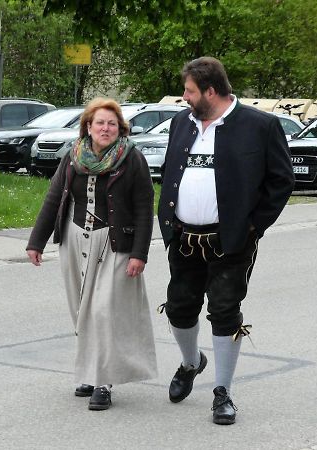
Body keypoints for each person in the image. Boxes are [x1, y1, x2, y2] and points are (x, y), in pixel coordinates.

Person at [158, 57, 295, 424]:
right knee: (178, 308)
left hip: (231, 240)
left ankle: (222, 392)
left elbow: (281, 180)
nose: (184, 97)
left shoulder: (259, 125)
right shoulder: (180, 123)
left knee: (223, 311)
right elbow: (171, 172)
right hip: (184, 236)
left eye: (189, 91)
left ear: (211, 91)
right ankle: (191, 363)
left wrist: (254, 225)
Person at [26, 97, 157, 411]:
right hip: (75, 238)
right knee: (81, 309)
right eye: (100, 122)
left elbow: (143, 206)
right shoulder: (73, 156)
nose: (106, 128)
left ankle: (104, 382)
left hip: (114, 242)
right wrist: (36, 242)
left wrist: (140, 253)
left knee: (103, 312)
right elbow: (54, 196)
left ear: (120, 128)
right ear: (88, 126)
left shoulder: (132, 158)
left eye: (112, 123)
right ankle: (88, 371)